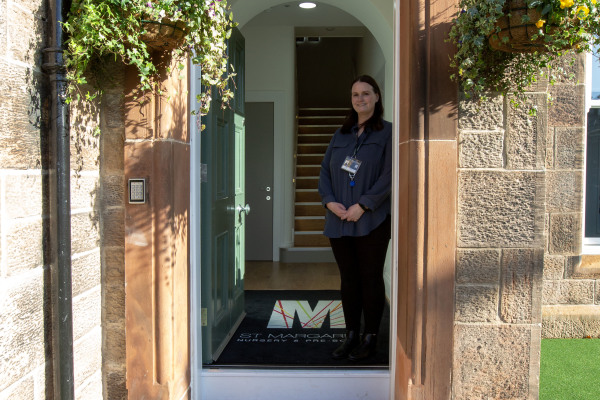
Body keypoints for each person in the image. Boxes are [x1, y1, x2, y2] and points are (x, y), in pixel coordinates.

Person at [318, 75, 392, 361]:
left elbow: (389, 175)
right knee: (348, 279)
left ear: (376, 96)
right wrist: (329, 202)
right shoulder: (341, 134)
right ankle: (351, 335)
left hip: (371, 220)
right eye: (355, 95)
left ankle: (370, 337)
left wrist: (364, 205)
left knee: (370, 279)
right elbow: (325, 171)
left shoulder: (387, 132)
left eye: (365, 93)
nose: (360, 99)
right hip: (338, 219)